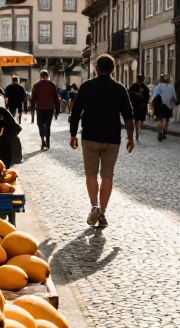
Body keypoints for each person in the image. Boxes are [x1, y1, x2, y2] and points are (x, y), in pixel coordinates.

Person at [69, 54, 135, 229]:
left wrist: (73, 134)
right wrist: (130, 137)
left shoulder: (86, 87)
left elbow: (75, 112)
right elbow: (129, 116)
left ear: (96, 68)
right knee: (107, 176)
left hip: (90, 136)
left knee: (90, 174)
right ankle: (103, 213)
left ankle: (94, 206)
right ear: (112, 69)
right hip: (112, 138)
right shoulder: (120, 88)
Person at [31, 70, 62, 150]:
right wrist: (57, 110)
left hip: (40, 108)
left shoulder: (37, 85)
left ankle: (42, 140)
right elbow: (56, 99)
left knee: (40, 125)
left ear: (41, 76)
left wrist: (32, 109)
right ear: (47, 76)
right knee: (48, 125)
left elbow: (33, 98)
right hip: (50, 108)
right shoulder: (52, 85)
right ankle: (47, 143)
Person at [152, 74, 177, 141]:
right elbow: (174, 97)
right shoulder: (171, 87)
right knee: (165, 119)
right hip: (168, 106)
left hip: (159, 106)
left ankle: (160, 131)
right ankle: (164, 131)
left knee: (159, 119)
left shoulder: (157, 87)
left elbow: (154, 97)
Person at [128, 75, 150, 144]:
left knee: (142, 119)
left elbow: (147, 96)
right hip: (136, 105)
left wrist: (144, 101)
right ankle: (137, 134)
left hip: (143, 106)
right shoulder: (133, 86)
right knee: (136, 119)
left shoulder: (145, 87)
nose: (138, 81)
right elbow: (129, 93)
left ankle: (139, 129)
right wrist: (135, 95)